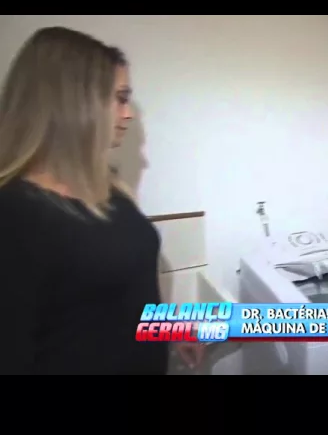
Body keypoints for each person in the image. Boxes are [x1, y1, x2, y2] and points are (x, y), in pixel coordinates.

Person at [0, 26, 203, 374]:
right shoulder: (15, 216)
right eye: (120, 98)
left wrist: (169, 327)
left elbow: (120, 295)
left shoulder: (108, 190)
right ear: (73, 104)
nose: (129, 113)